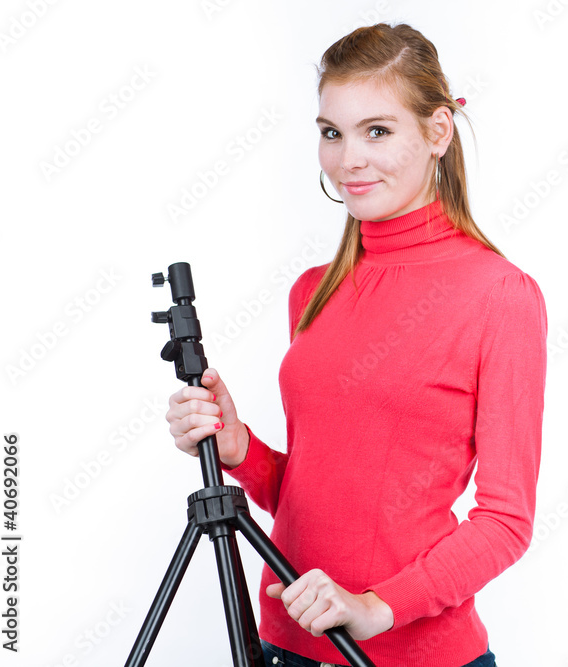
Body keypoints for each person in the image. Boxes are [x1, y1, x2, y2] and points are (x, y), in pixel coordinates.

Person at [165, 22, 546, 667]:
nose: (349, 160)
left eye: (377, 130)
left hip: (419, 656)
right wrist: (241, 450)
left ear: (437, 133)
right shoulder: (314, 291)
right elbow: (319, 492)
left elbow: (506, 522)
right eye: (331, 133)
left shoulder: (499, 295)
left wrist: (377, 605)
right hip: (288, 644)